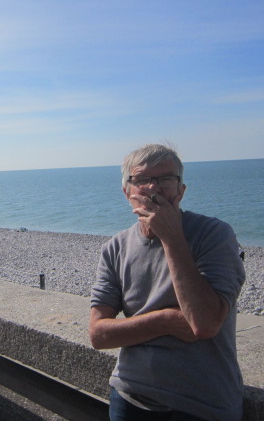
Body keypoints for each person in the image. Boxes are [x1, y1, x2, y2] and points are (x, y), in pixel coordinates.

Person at [89, 144, 245, 421]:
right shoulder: (115, 248)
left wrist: (172, 237)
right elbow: (99, 335)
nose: (154, 188)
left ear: (181, 190)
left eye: (165, 179)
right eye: (141, 180)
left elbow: (205, 323)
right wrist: (163, 321)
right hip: (129, 396)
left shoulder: (214, 234)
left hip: (203, 402)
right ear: (127, 192)